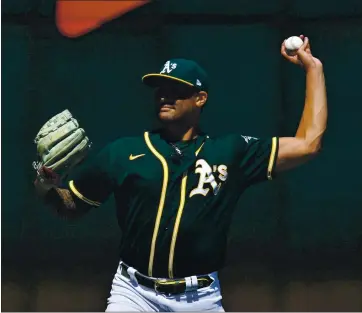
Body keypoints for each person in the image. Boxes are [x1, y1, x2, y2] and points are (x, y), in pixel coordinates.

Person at [34, 35, 327, 311]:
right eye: (161, 89)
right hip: (134, 293)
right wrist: (45, 187)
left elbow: (307, 144)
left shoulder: (230, 152)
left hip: (200, 298)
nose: (165, 96)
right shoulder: (124, 153)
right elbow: (70, 205)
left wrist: (313, 68)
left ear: (200, 98)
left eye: (177, 90)